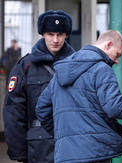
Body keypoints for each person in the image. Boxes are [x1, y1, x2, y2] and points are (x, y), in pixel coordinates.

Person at [35, 30, 122, 163]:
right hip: (95, 153)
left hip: (64, 155)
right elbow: (115, 107)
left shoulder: (61, 72)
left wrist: (65, 136)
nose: (116, 61)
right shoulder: (102, 69)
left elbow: (41, 109)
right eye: (117, 55)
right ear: (108, 45)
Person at [3, 10, 75, 163]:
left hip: (72, 143)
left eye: (60, 34)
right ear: (42, 34)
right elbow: (13, 111)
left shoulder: (77, 64)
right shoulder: (25, 67)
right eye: (50, 34)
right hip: (38, 147)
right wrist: (19, 152)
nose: (55, 40)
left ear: (66, 35)